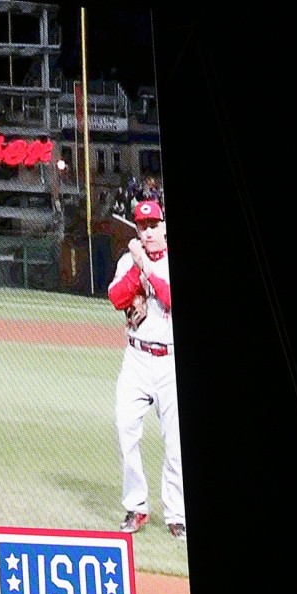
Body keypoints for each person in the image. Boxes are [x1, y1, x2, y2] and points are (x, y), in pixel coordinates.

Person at [107, 199, 182, 540]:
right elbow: (116, 297)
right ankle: (137, 506)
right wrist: (137, 267)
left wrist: (148, 269)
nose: (148, 232)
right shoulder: (129, 260)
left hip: (170, 362)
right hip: (136, 359)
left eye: (154, 226)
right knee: (125, 429)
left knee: (177, 443)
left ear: (164, 226)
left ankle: (177, 513)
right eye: (142, 226)